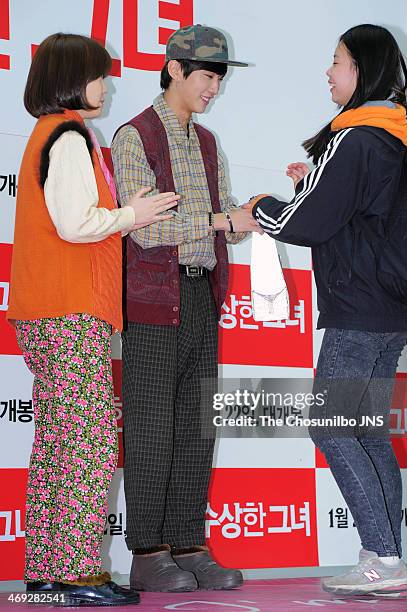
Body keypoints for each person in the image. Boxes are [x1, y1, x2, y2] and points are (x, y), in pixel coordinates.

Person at [247, 24, 407, 596]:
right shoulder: (398, 136)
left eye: (338, 61)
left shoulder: (357, 136)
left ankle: (386, 561)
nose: (329, 72)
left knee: (329, 425)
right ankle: (381, 555)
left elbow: (308, 222)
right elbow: (354, 213)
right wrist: (311, 187)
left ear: (362, 70)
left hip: (357, 309)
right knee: (367, 432)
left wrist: (260, 207)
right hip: (393, 310)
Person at [7, 32, 180, 607]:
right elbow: (78, 223)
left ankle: (50, 572)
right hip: (69, 310)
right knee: (86, 443)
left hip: (51, 310)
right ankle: (77, 574)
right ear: (70, 80)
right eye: (98, 76)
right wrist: (135, 212)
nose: (106, 86)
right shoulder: (68, 136)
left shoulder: (49, 135)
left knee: (63, 442)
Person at [111, 24, 261, 592]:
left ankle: (189, 545)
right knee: (151, 427)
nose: (214, 88)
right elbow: (145, 229)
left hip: (201, 294)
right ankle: (149, 552)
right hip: (152, 299)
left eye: (220, 78)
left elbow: (225, 219)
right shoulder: (134, 137)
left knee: (197, 427)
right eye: (206, 76)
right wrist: (222, 221)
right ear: (173, 68)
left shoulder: (208, 142)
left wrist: (254, 213)